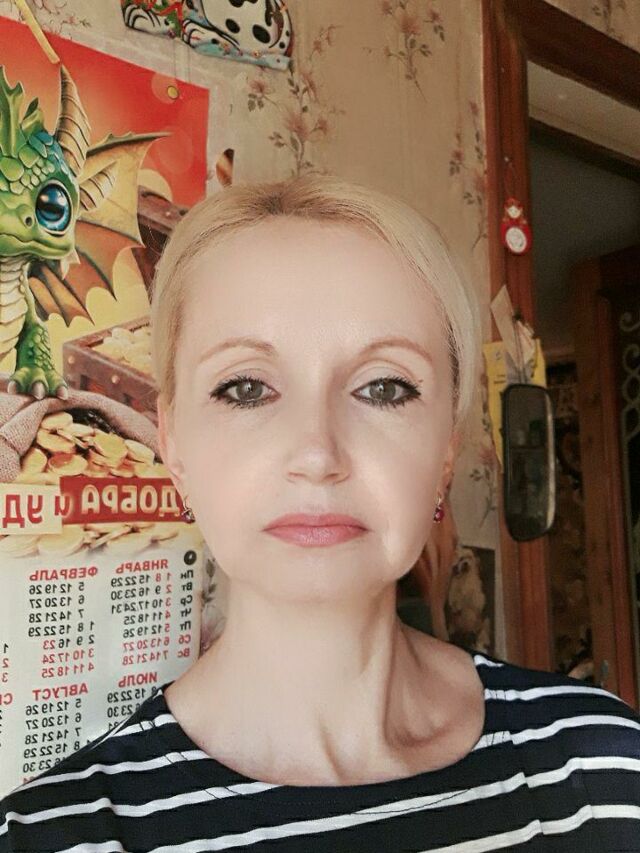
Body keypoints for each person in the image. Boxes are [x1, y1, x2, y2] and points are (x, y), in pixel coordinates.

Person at [1, 172, 639, 852]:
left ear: (447, 449)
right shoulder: (49, 836)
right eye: (246, 388)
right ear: (173, 441)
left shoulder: (603, 764)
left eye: (384, 387)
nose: (316, 453)